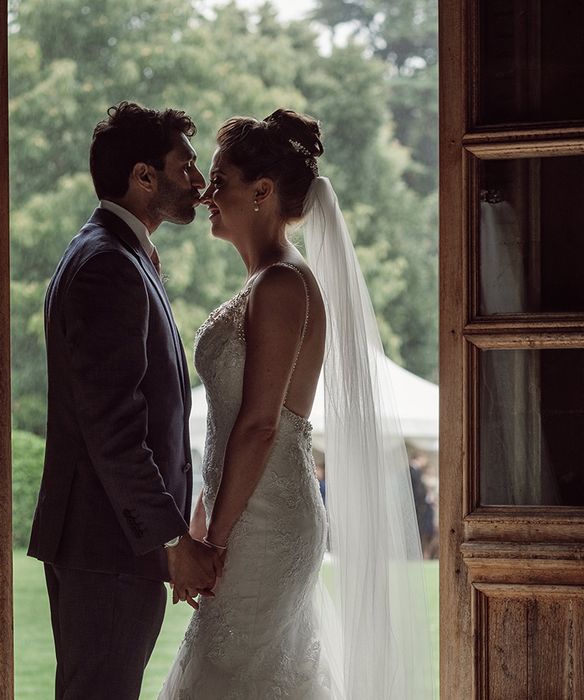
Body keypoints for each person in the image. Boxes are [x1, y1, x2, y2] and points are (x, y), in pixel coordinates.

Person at [160, 110, 433, 698]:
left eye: (220, 178)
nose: (207, 193)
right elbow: (235, 423)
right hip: (244, 508)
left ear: (262, 191)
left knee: (240, 672)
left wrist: (212, 544)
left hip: (267, 520)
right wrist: (203, 514)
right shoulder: (264, 284)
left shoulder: (283, 285)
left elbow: (261, 426)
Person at [27, 102, 221, 700]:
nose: (199, 181)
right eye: (185, 166)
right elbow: (114, 430)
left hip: (108, 548)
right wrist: (171, 539)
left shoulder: (116, 253)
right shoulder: (107, 264)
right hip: (106, 548)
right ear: (143, 176)